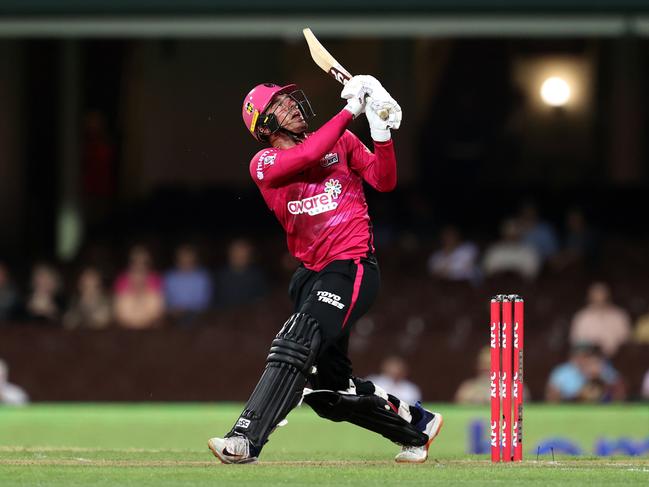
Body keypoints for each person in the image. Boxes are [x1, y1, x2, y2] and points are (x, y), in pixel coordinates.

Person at [208, 77, 442, 465]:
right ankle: (416, 427)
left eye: (290, 101)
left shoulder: (342, 141)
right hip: (309, 275)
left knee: (297, 338)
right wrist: (350, 111)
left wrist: (381, 133)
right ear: (265, 127)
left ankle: (246, 439)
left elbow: (384, 181)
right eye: (281, 106)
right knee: (329, 394)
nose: (293, 107)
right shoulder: (263, 163)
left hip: (352, 266)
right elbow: (304, 158)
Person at [545, 343, 625, 403]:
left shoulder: (601, 367)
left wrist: (598, 377)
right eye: (577, 356)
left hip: (601, 407)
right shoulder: (562, 371)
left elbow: (620, 389)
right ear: (571, 357)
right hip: (569, 405)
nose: (581, 360)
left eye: (585, 356)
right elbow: (551, 396)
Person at [569, 282, 631, 357]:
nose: (599, 299)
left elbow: (626, 340)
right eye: (595, 296)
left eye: (602, 296)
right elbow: (576, 342)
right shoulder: (582, 317)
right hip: (588, 359)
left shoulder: (619, 316)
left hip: (618, 358)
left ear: (608, 297)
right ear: (590, 298)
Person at [164, 244, 213, 321]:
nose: (186, 261)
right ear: (177, 260)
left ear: (194, 259)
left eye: (189, 257)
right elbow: (165, 299)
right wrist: (172, 309)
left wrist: (186, 310)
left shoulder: (202, 277)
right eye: (182, 257)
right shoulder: (169, 277)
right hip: (173, 317)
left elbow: (204, 302)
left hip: (197, 316)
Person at [213, 239, 267, 308]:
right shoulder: (220, 276)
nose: (240, 257)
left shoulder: (257, 275)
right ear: (230, 254)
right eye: (236, 253)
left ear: (249, 256)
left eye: (243, 255)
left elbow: (262, 298)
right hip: (226, 314)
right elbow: (215, 302)